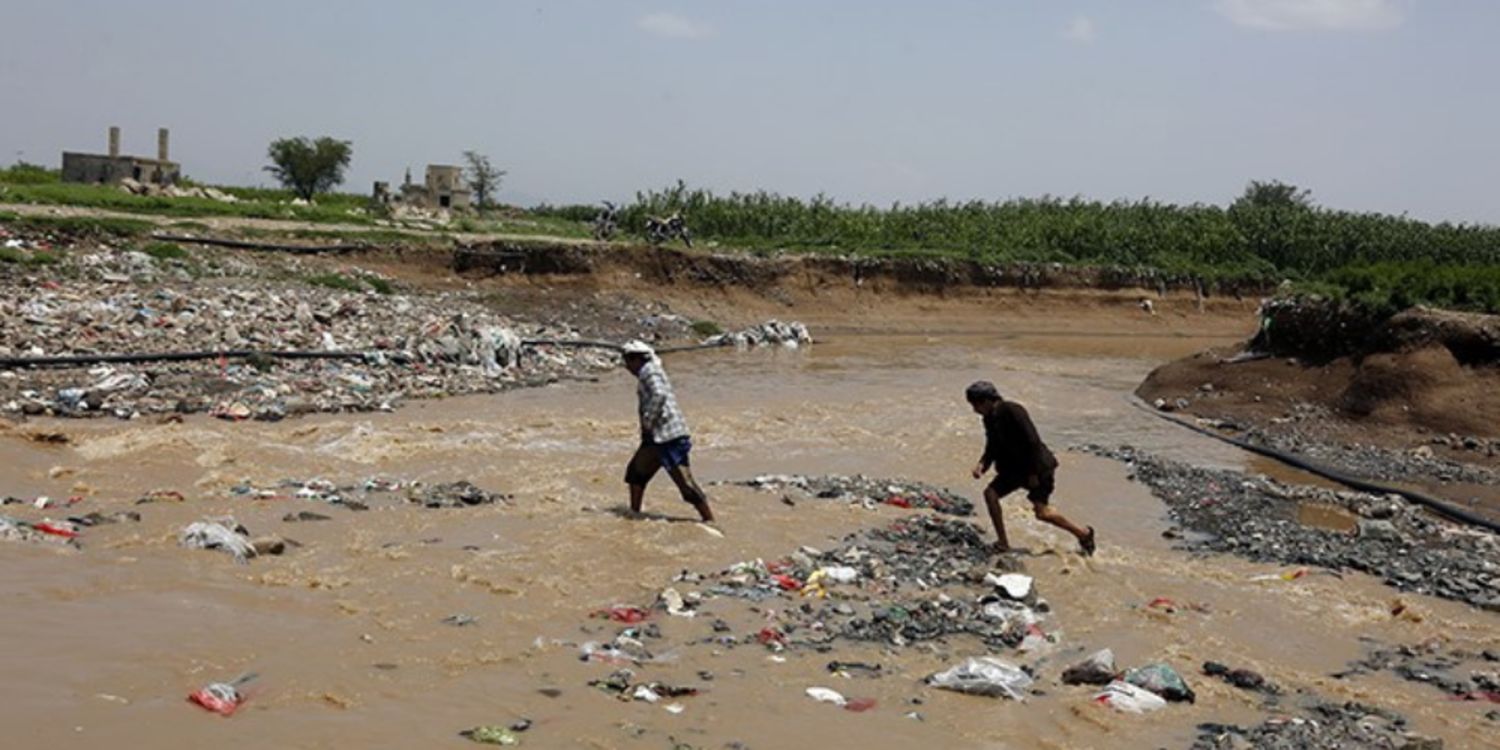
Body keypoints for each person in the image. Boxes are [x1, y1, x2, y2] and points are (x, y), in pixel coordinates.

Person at [965, 380, 1095, 556]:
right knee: (990, 494)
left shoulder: (1012, 410)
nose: (975, 410)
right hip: (1013, 469)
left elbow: (1032, 440)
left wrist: (1033, 472)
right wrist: (982, 464)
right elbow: (992, 445)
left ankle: (1083, 534)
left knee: (1042, 513)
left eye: (976, 405)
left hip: (1037, 467)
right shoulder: (989, 418)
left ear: (987, 400)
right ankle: (1003, 542)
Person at [620, 340, 715, 523]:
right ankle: (634, 516)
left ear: (636, 360)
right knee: (635, 474)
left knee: (686, 486)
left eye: (627, 362)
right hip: (656, 438)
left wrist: (648, 419)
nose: (627, 367)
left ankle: (710, 520)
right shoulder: (648, 371)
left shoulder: (650, 371)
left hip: (668, 437)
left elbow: (659, 394)